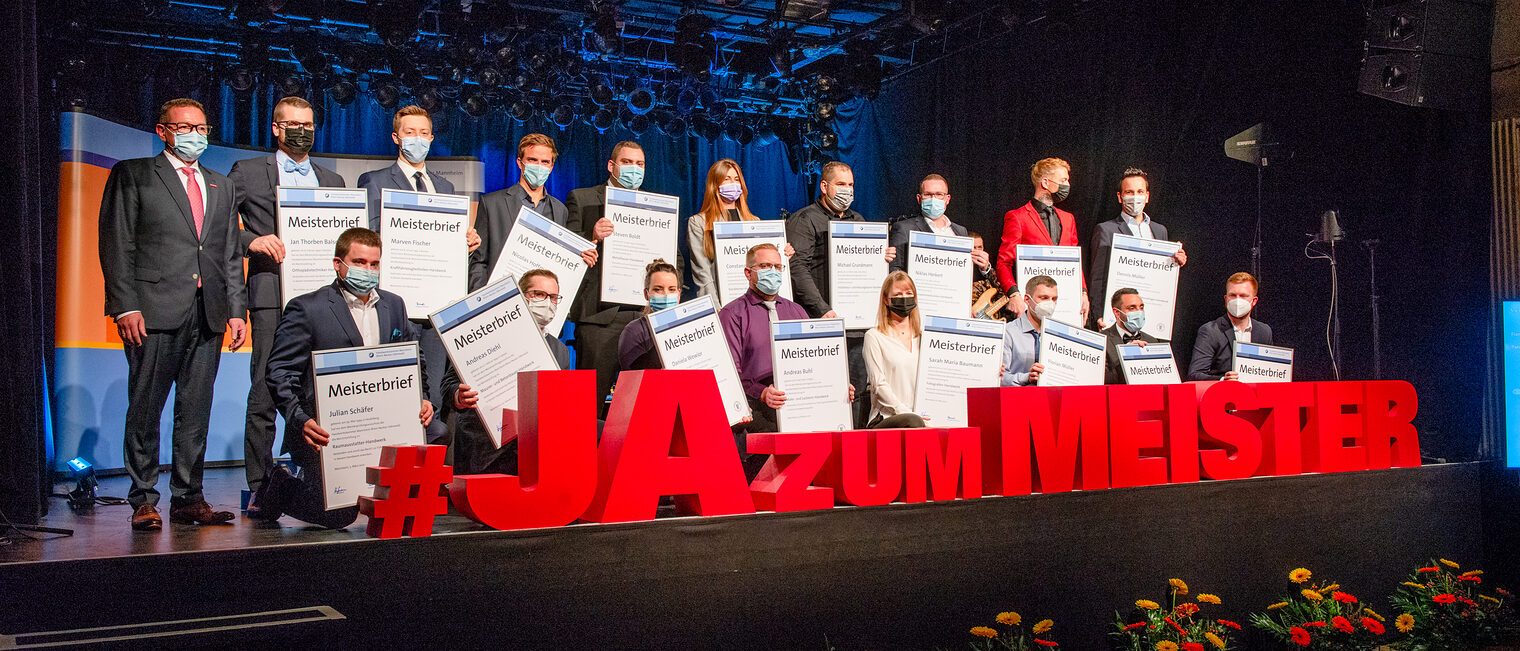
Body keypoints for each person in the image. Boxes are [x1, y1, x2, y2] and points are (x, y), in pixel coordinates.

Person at [99, 98, 247, 531]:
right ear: (163, 131)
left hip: (209, 313)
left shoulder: (221, 185)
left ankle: (188, 497)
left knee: (195, 410)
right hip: (154, 309)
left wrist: (237, 311)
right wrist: (125, 304)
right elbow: (117, 243)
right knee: (145, 406)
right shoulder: (135, 174)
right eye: (185, 127)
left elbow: (228, 253)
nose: (195, 136)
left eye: (202, 128)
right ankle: (144, 498)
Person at [252, 227, 434, 529]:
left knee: (438, 433)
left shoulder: (394, 305)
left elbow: (417, 361)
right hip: (327, 432)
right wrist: (299, 419)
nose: (368, 270)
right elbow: (279, 371)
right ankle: (281, 487)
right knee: (340, 514)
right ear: (338, 264)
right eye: (359, 262)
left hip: (384, 424)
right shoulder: (307, 307)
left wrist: (423, 397)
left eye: (374, 264)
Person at [227, 96, 347, 505]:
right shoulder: (246, 172)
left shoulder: (332, 182)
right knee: (265, 390)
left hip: (322, 303)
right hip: (271, 296)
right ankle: (262, 487)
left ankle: (315, 481)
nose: (303, 130)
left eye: (309, 124)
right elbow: (221, 232)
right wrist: (252, 241)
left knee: (315, 392)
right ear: (276, 128)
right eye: (294, 123)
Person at [357, 105, 477, 445]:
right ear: (396, 137)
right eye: (410, 133)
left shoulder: (445, 189)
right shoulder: (375, 181)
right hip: (396, 302)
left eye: (424, 133)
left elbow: (448, 243)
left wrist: (466, 240)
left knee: (433, 396)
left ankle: (428, 481)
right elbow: (371, 237)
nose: (418, 139)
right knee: (393, 390)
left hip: (437, 307)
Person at [720, 244, 849, 477]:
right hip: (758, 409)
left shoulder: (797, 311)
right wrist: (761, 392)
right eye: (765, 266)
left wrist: (837, 386)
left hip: (800, 405)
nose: (773, 271)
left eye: (778, 266)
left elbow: (815, 360)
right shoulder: (732, 314)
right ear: (748, 273)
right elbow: (731, 373)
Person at [785, 161, 894, 427]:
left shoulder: (859, 221)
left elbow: (870, 270)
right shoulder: (805, 219)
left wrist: (884, 259)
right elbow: (797, 268)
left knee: (856, 392)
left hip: (858, 327)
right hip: (822, 323)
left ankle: (853, 451)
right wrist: (822, 309)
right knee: (826, 393)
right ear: (824, 186)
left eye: (851, 185)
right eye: (841, 184)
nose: (847, 190)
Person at [443, 268, 571, 475]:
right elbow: (449, 383)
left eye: (553, 297)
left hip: (535, 444)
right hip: (485, 440)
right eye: (538, 294)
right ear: (520, 297)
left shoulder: (559, 350)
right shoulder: (486, 335)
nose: (547, 302)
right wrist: (459, 395)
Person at [565, 141, 649, 416]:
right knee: (590, 406)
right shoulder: (583, 198)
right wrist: (591, 237)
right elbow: (565, 253)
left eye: (639, 164)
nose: (633, 169)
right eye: (627, 163)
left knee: (641, 407)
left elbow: (674, 259)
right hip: (599, 319)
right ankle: (584, 458)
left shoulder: (655, 207)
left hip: (642, 316)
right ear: (611, 166)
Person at [470, 133, 592, 292]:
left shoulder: (560, 210)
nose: (539, 166)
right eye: (533, 160)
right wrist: (482, 298)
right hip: (502, 295)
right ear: (520, 163)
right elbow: (478, 261)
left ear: (551, 167)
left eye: (545, 162)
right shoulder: (492, 203)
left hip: (543, 299)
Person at [1087, 168, 1187, 327]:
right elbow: (1097, 278)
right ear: (1120, 197)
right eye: (1129, 192)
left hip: (1152, 315)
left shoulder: (1160, 230)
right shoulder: (1106, 230)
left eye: (1140, 191)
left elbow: (1162, 277)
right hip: (1119, 317)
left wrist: (1176, 263)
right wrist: (1098, 315)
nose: (1135, 197)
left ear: (1147, 196)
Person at [995, 157, 1087, 321]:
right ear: (1045, 182)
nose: (1067, 185)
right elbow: (1004, 262)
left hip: (1064, 303)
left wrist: (1083, 293)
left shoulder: (1068, 219)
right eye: (1063, 180)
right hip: (1032, 304)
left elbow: (1075, 263)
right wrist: (1014, 294)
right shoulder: (1018, 217)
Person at [687, 159, 792, 300]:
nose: (733, 184)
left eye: (736, 179)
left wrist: (783, 254)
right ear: (715, 184)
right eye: (727, 179)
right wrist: (715, 308)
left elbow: (765, 265)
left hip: (756, 299)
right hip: (722, 300)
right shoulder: (699, 222)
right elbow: (702, 273)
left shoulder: (754, 221)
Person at [888, 174, 992, 282]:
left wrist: (984, 267)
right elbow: (894, 272)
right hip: (920, 295)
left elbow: (966, 273)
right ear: (919, 198)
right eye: (928, 194)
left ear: (947, 199)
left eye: (939, 194)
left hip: (953, 295)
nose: (934, 199)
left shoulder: (961, 231)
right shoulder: (903, 228)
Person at [863, 271, 929, 428]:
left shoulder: (925, 339)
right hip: (887, 418)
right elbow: (878, 385)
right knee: (913, 422)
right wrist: (906, 412)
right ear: (886, 300)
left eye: (908, 293)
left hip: (922, 417)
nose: (904, 298)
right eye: (898, 295)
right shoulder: (874, 337)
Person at [1188, 272, 1275, 381]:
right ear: (1226, 299)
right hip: (1223, 395)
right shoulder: (1211, 331)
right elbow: (1195, 374)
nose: (1237, 301)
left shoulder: (1264, 331)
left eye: (1243, 296)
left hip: (1254, 395)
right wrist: (1223, 380)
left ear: (1254, 301)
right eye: (1233, 295)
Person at [617, 259, 681, 372]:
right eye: (658, 289)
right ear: (647, 294)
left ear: (678, 294)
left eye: (671, 289)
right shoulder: (634, 331)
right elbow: (631, 379)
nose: (666, 295)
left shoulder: (689, 327)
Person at [999, 275, 1058, 387]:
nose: (1050, 304)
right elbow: (1000, 377)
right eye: (1044, 298)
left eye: (1054, 299)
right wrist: (1026, 377)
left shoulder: (1058, 335)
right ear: (1027, 299)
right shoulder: (1008, 332)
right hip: (1016, 400)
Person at [1099, 288, 1161, 385]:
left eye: (1141, 307)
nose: (1139, 312)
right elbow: (1102, 379)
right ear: (1117, 313)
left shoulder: (1152, 341)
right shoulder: (1101, 340)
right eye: (1132, 308)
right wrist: (1127, 355)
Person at [969, 231, 1011, 321]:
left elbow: (1002, 291)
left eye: (979, 247)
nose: (977, 251)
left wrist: (986, 268)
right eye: (973, 248)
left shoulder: (987, 270)